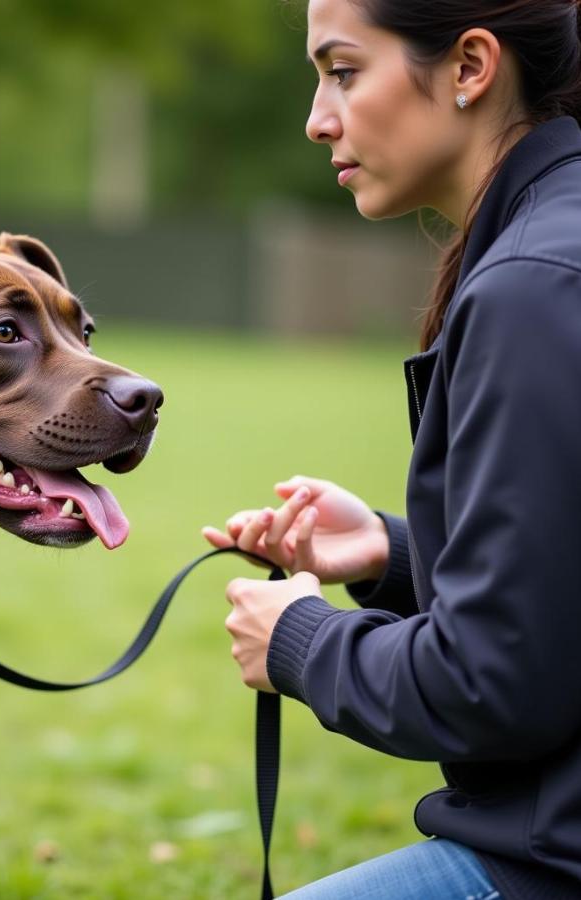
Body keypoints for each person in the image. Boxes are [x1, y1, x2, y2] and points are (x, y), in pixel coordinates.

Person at [202, 1, 581, 898]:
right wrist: (397, 553)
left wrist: (299, 640)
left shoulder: (532, 289)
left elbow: (494, 691)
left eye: (342, 70)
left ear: (470, 66)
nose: (316, 118)